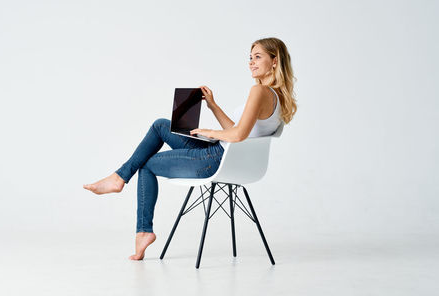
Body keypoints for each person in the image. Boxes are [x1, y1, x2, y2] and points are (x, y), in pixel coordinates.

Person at [83, 37, 298, 260]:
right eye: (250, 58)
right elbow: (237, 130)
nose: (251, 63)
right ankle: (120, 178)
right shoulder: (278, 97)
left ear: (275, 61)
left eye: (258, 57)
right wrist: (212, 105)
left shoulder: (259, 92)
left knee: (145, 164)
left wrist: (210, 132)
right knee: (161, 125)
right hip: (226, 156)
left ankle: (142, 228)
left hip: (215, 158)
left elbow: (238, 135)